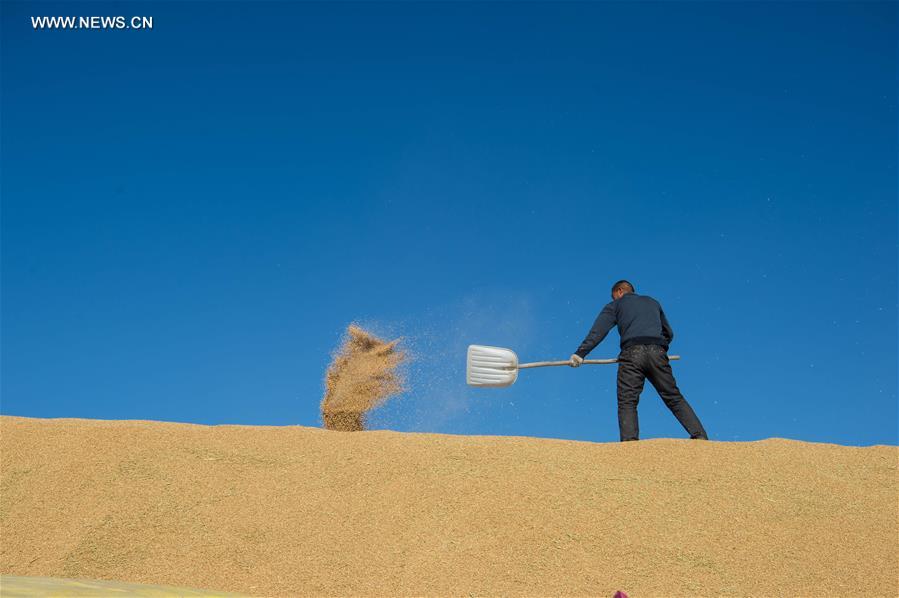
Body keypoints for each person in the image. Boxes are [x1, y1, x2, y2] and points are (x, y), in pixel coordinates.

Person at [570, 280, 708, 441]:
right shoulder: (652, 302)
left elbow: (599, 330)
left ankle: (630, 446)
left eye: (614, 296)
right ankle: (700, 436)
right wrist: (658, 348)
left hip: (632, 353)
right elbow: (668, 333)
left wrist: (580, 353)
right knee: (673, 396)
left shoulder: (616, 305)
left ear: (620, 291)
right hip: (658, 351)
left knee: (627, 400)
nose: (614, 299)